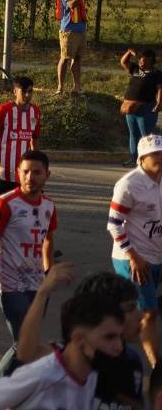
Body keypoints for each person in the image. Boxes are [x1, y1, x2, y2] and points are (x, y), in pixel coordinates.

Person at [0, 289, 123, 410]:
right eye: (108, 338)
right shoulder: (43, 374)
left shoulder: (99, 375)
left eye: (119, 337)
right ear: (79, 339)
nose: (119, 347)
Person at [14, 267, 146, 409]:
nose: (140, 315)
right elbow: (26, 353)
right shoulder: (66, 357)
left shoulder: (132, 362)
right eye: (130, 308)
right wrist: (42, 293)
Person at [0, 150, 56, 379]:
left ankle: (13, 392)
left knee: (28, 344)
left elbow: (49, 240)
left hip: (37, 284)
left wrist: (49, 272)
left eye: (36, 172)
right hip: (10, 283)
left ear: (47, 175)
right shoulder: (4, 204)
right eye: (25, 172)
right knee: (23, 342)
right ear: (17, 173)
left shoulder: (49, 206)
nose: (30, 177)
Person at [108, 133, 162, 368]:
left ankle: (108, 344)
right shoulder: (129, 184)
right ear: (141, 158)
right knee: (149, 313)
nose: (160, 157)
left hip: (156, 255)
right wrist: (133, 256)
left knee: (138, 312)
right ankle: (156, 367)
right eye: (154, 154)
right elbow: (114, 223)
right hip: (132, 258)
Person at [119, 47, 162, 167]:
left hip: (146, 108)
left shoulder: (156, 73)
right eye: (139, 60)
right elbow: (123, 62)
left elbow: (160, 89)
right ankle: (133, 159)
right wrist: (128, 52)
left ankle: (146, 161)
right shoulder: (135, 69)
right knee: (133, 134)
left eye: (144, 60)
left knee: (146, 136)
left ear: (150, 60)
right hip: (130, 109)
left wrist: (159, 103)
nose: (141, 62)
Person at [56, 0, 92, 95]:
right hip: (69, 29)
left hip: (81, 29)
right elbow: (71, 5)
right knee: (65, 58)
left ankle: (77, 87)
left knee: (77, 58)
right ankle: (60, 87)